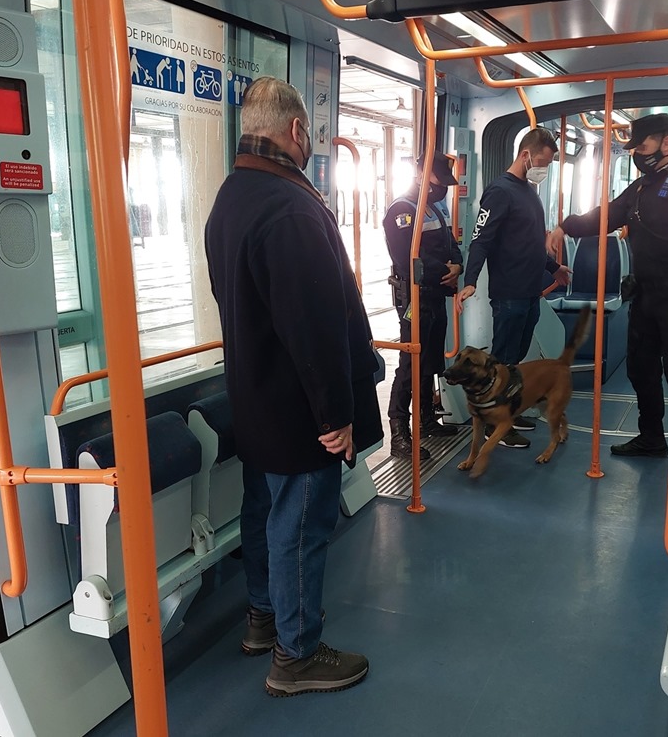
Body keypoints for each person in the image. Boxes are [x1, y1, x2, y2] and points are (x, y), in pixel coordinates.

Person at [205, 77, 382, 696]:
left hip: (254, 396)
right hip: (300, 408)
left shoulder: (231, 198)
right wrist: (335, 413)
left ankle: (263, 617)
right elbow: (313, 325)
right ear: (297, 131)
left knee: (263, 511)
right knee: (301, 524)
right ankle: (297, 653)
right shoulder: (292, 208)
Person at [548, 113, 668, 496]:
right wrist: (565, 224)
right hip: (645, 295)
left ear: (667, 142)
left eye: (642, 147)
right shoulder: (643, 187)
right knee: (641, 370)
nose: (637, 155)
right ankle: (652, 438)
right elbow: (608, 216)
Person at [456, 127, 571, 449]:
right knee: (503, 360)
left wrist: (554, 267)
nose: (543, 170)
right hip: (508, 293)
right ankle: (498, 425)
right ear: (525, 155)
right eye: (542, 162)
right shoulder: (500, 192)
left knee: (516, 361)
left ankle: (512, 410)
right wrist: (470, 281)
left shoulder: (529, 191)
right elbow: (481, 241)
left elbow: (533, 241)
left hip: (530, 291)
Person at [383, 152, 463, 460]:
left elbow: (451, 243)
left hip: (436, 295)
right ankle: (399, 432)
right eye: (438, 181)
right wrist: (447, 272)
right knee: (410, 363)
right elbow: (407, 259)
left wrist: (457, 264)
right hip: (414, 299)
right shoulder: (401, 211)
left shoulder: (435, 208)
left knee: (430, 361)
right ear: (421, 175)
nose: (443, 187)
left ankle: (427, 420)